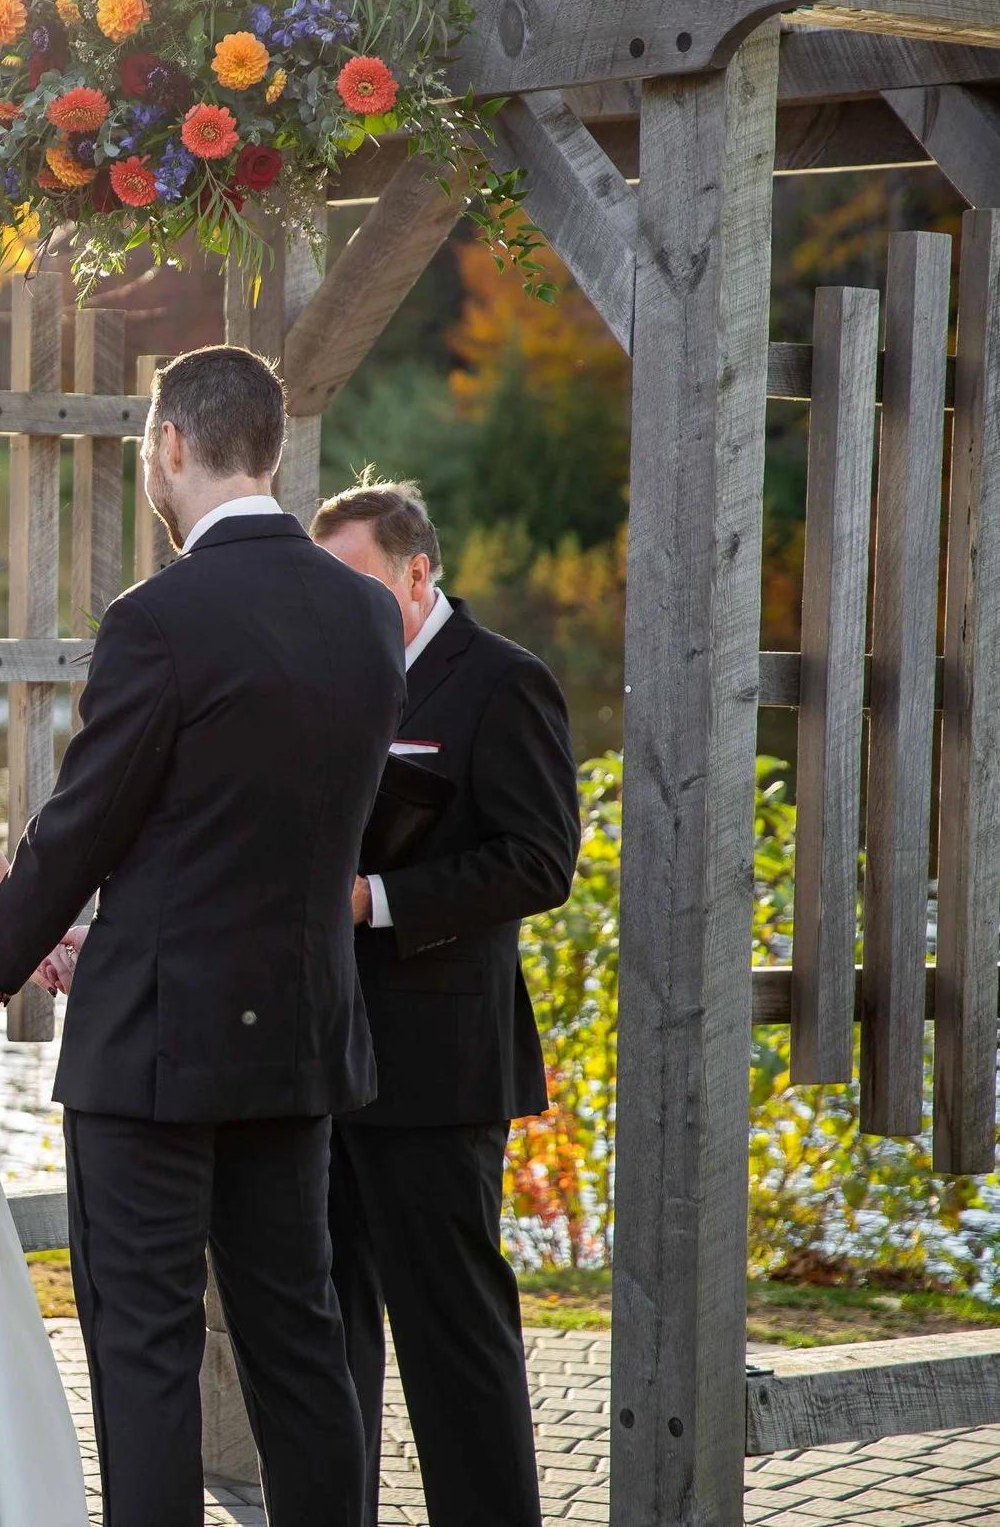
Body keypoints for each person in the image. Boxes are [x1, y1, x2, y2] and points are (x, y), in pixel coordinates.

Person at [0, 345, 404, 1527]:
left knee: (144, 1339)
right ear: (274, 449)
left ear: (169, 447)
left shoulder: (159, 615)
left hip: (160, 1037)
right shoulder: (364, 608)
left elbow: (88, 817)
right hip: (298, 1026)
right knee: (296, 1332)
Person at [313, 479, 578, 1527]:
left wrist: (375, 896)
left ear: (417, 571)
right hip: (317, 1045)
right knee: (327, 1330)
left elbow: (538, 860)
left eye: (354, 584)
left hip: (436, 1059)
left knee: (453, 1337)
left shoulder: (503, 681)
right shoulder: (324, 680)